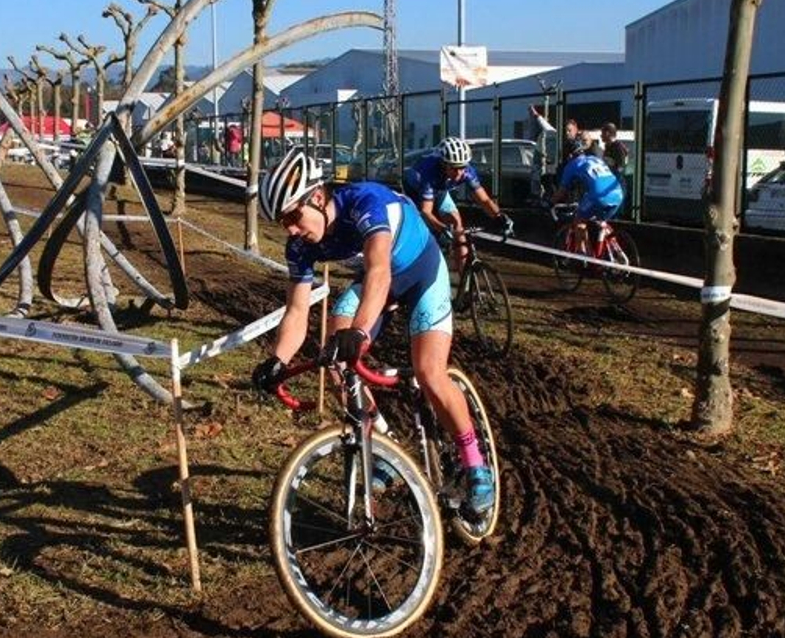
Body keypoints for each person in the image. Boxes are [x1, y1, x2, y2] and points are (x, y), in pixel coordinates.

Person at [250, 149, 495, 517]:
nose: (290, 229)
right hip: (379, 283)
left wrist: (361, 332)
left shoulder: (365, 201)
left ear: (317, 197)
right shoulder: (299, 245)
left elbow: (379, 269)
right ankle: (384, 445)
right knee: (334, 358)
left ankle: (475, 463)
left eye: (293, 216)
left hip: (421, 273)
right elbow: (298, 309)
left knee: (429, 372)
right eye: (282, 222)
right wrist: (277, 360)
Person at [400, 136, 513, 289]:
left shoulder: (467, 171)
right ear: (443, 164)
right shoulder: (429, 173)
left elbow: (484, 200)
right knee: (425, 232)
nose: (459, 172)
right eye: (454, 168)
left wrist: (499, 216)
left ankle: (465, 287)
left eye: (462, 167)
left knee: (457, 225)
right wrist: (441, 228)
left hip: (440, 191)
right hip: (415, 192)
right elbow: (426, 211)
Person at [553, 150, 626, 251]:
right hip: (618, 193)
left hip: (598, 196)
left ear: (570, 156)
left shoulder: (571, 165)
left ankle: (582, 255)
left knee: (579, 219)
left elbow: (561, 191)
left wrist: (551, 202)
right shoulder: (595, 159)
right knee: (601, 221)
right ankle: (615, 251)